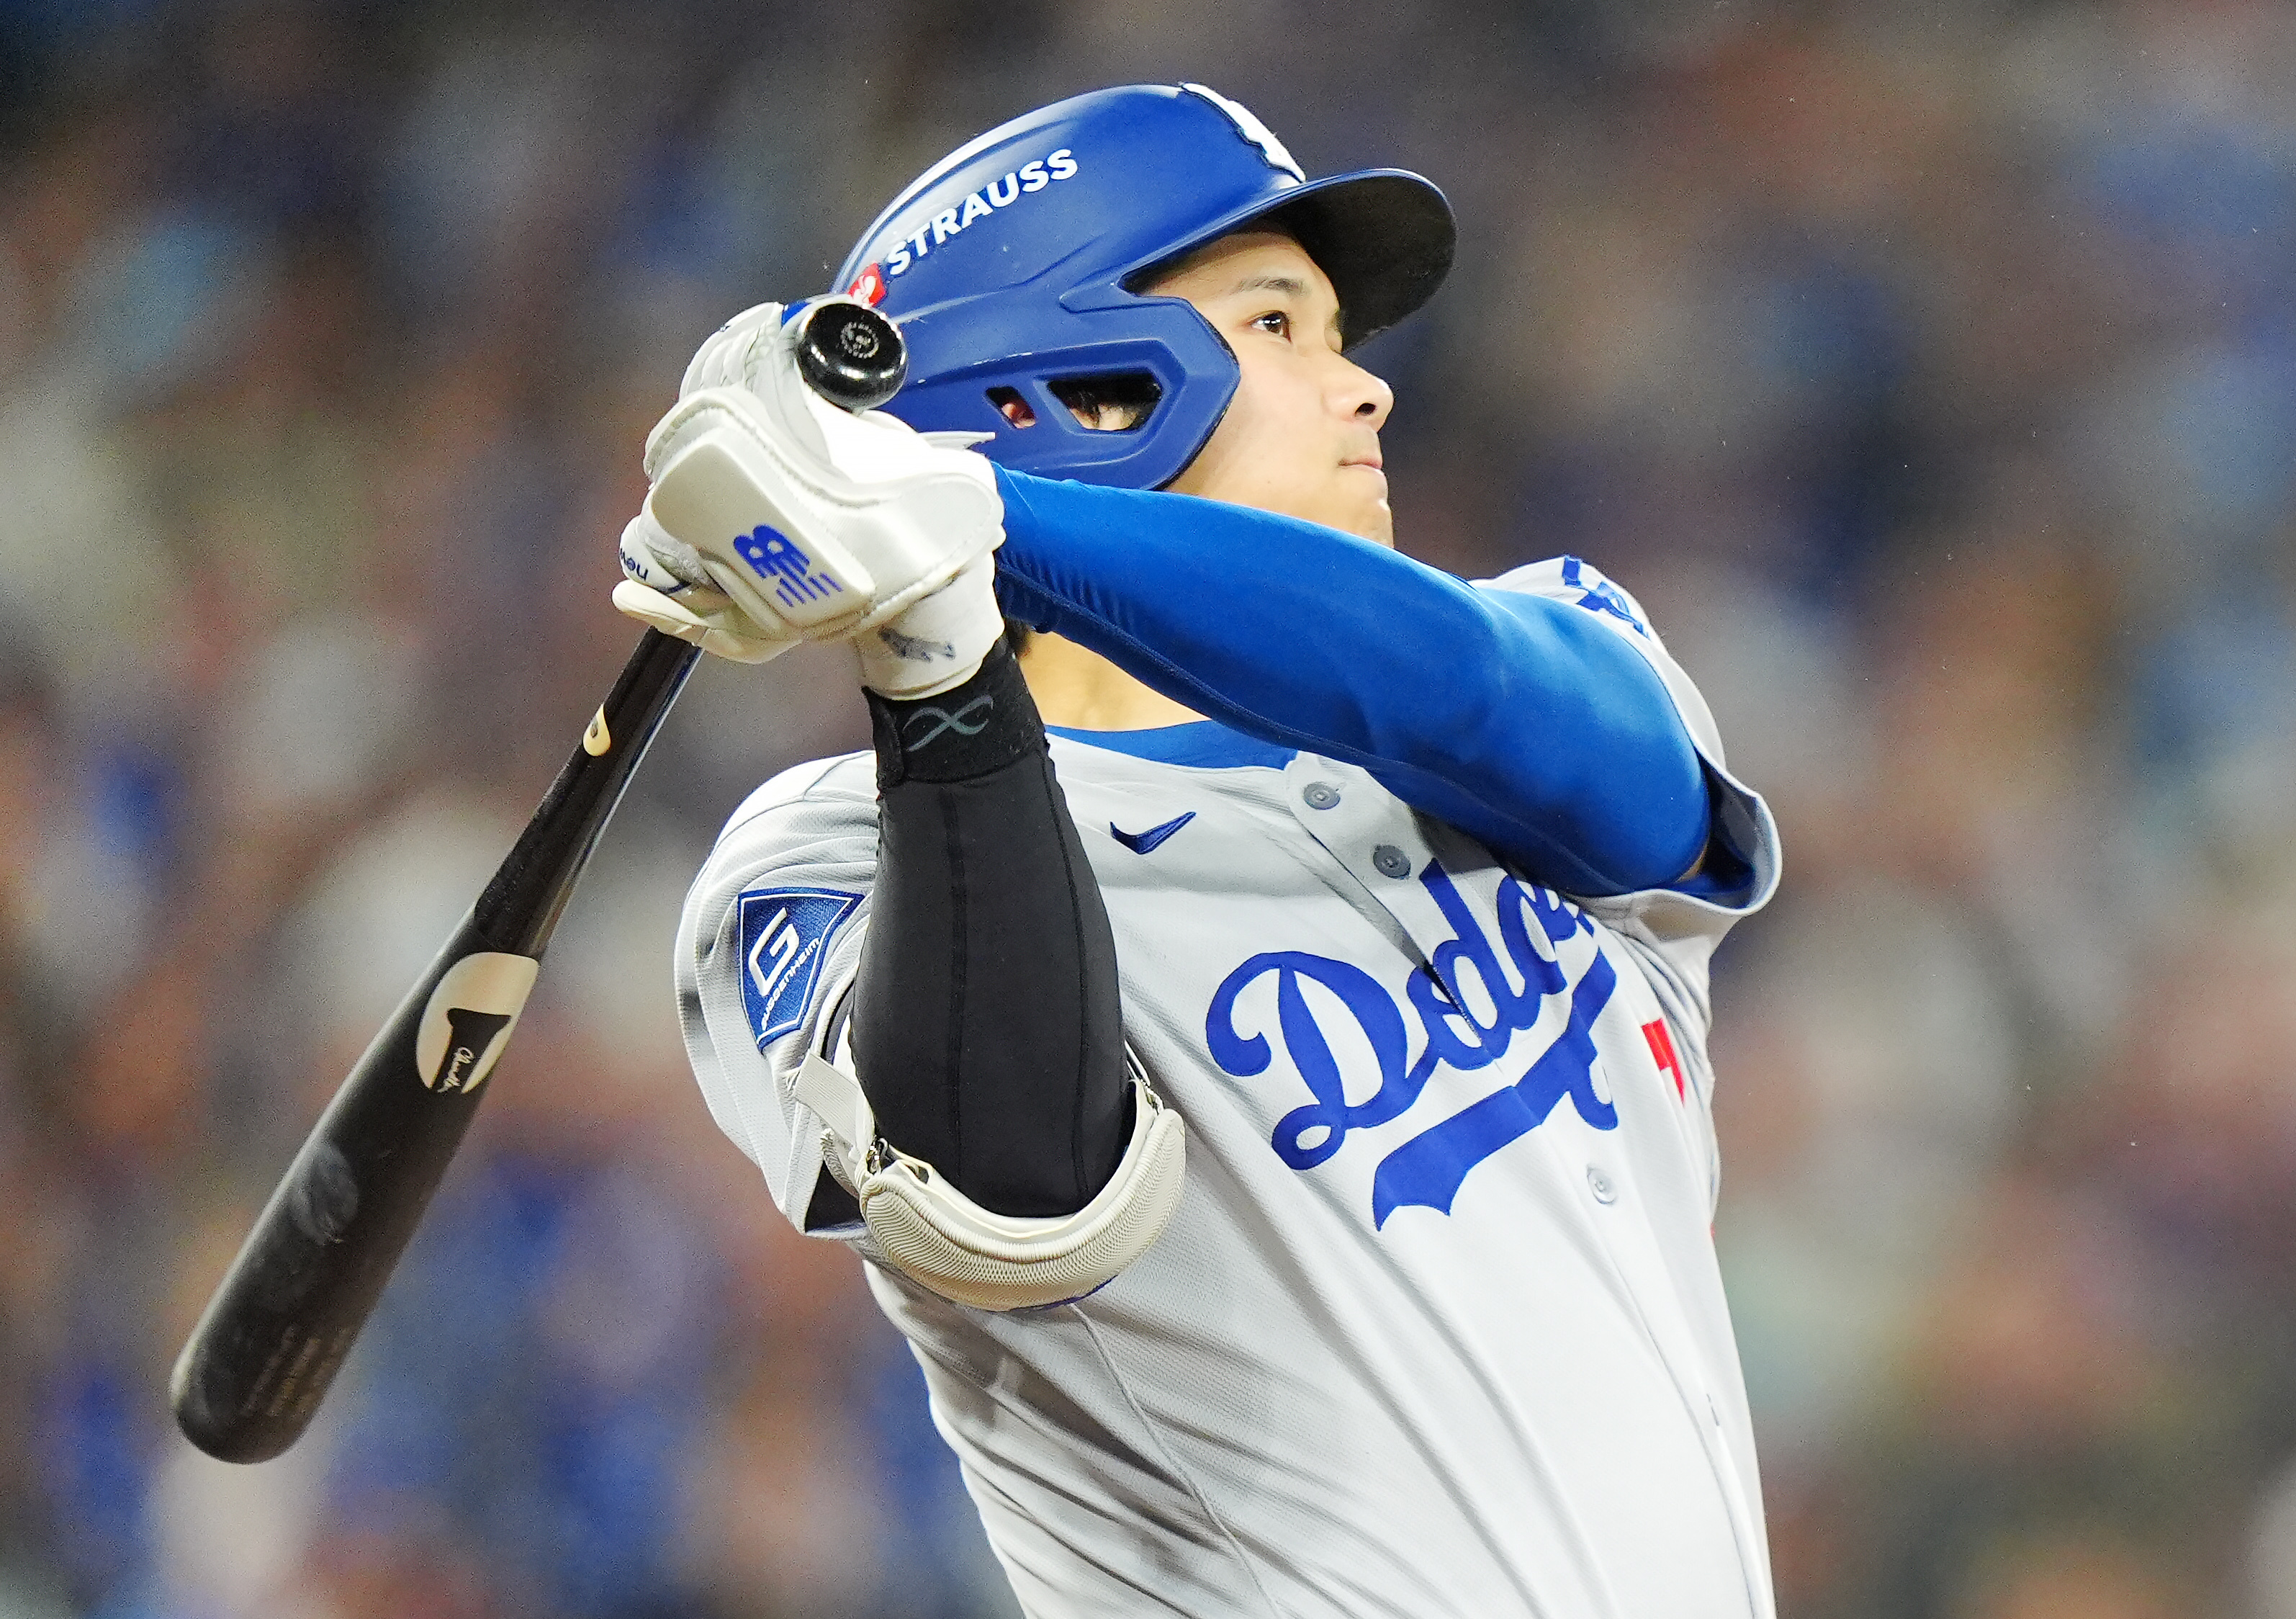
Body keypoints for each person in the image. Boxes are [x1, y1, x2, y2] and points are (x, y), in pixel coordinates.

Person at [616, 83, 1782, 1618]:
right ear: (1076, 393)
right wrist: (937, 648)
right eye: (1278, 325)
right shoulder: (825, 858)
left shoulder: (1550, 637)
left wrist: (970, 516)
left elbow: (1499, 704)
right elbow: (1005, 1181)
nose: (1366, 390)